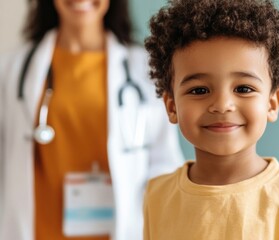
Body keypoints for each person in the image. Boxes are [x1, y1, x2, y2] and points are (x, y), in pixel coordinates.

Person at [142, 0, 279, 239]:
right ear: (171, 106)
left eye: (243, 88)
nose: (222, 105)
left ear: (271, 104)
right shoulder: (157, 195)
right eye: (199, 90)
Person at [0, 0, 184, 239]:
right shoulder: (11, 70)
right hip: (35, 231)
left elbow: (164, 163)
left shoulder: (144, 69)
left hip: (123, 230)